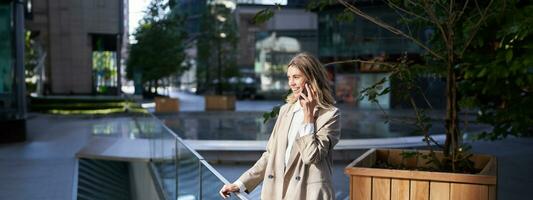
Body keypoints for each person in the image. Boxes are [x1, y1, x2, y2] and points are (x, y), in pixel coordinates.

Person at [219, 53, 341, 199]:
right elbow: (270, 155)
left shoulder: (330, 115)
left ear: (312, 78)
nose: (291, 83)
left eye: (296, 77)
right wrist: (240, 183)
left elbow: (311, 156)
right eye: (289, 77)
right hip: (277, 192)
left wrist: (308, 117)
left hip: (308, 194)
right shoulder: (286, 110)